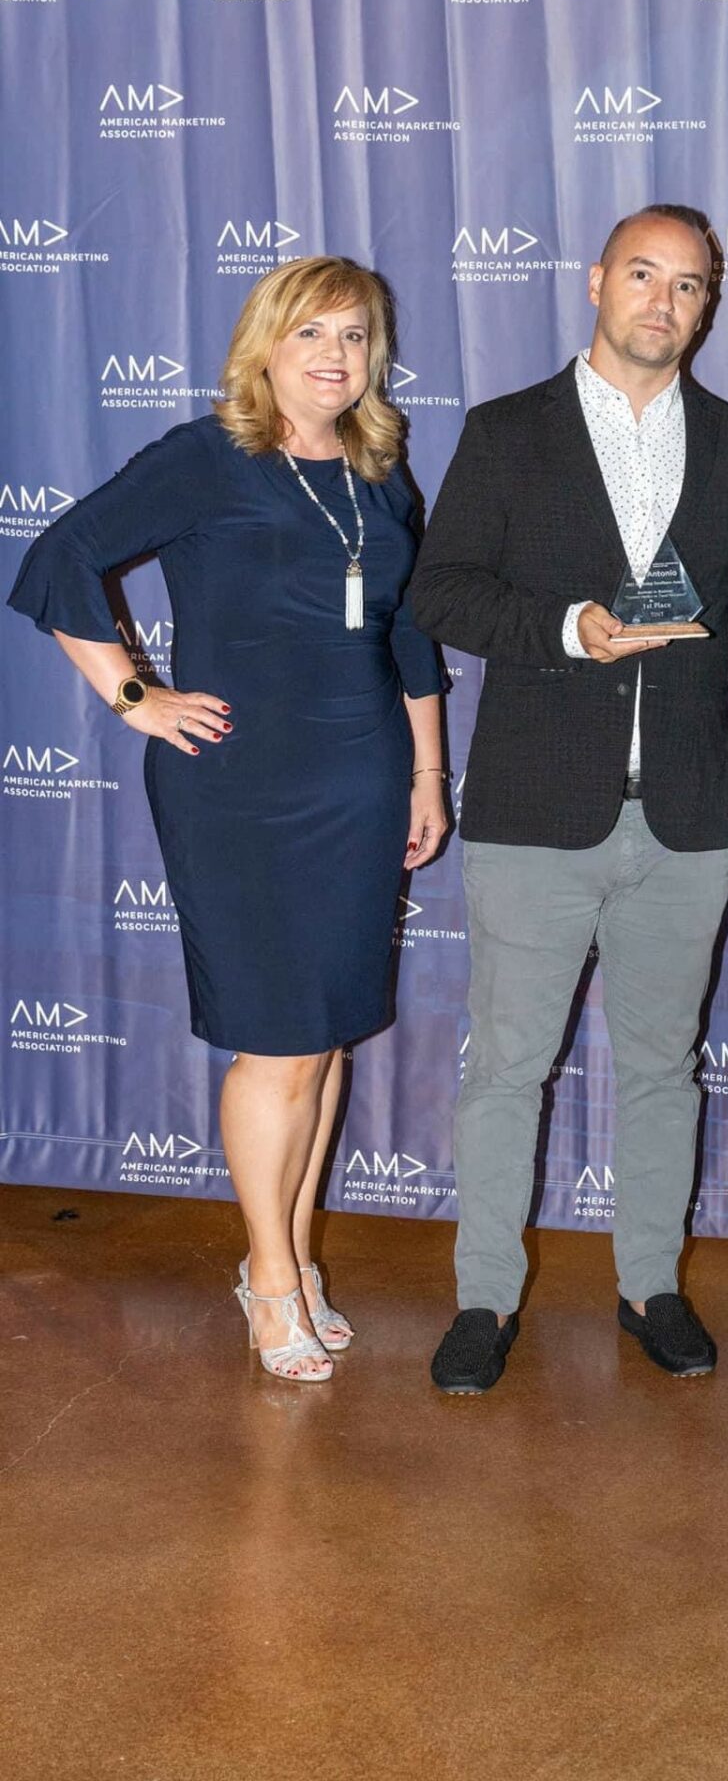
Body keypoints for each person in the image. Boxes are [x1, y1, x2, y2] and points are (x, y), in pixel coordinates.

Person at [8, 255, 448, 1383]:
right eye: (312, 334)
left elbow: (408, 631)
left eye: (355, 336)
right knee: (279, 1042)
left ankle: (287, 1259)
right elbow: (61, 557)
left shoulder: (380, 472)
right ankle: (269, 1281)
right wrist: (135, 696)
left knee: (328, 1035)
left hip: (362, 775)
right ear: (266, 345)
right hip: (242, 787)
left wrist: (427, 774)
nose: (335, 357)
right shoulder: (209, 455)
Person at [408, 205, 728, 1394]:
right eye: (643, 275)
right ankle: (483, 1301)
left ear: (708, 306)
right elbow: (441, 592)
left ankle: (651, 1285)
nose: (663, 302)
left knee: (665, 1068)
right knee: (508, 1069)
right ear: (595, 283)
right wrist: (568, 628)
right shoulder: (508, 430)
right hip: (534, 812)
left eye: (689, 284)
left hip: (686, 817)